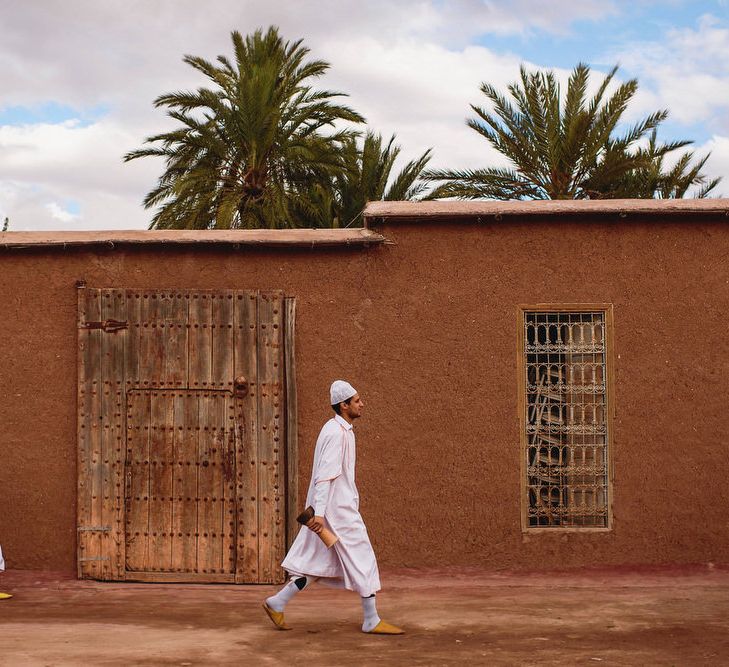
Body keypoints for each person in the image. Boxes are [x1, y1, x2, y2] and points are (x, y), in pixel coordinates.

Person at [263, 380, 403, 635]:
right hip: (337, 512)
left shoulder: (338, 429)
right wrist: (321, 516)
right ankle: (371, 620)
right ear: (344, 405)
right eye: (357, 400)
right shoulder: (336, 433)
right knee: (364, 557)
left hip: (331, 510)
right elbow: (324, 477)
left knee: (317, 563)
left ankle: (277, 602)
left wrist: (320, 512)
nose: (362, 403)